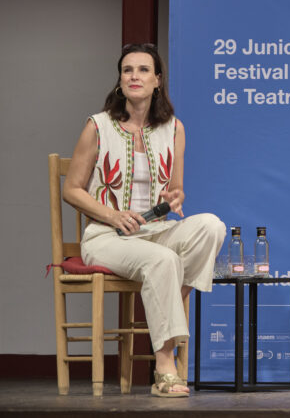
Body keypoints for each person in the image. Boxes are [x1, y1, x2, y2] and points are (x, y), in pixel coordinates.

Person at [62, 43, 226, 398]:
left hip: (156, 230)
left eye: (143, 70)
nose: (134, 76)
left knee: (212, 225)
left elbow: (177, 191)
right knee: (164, 260)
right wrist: (113, 215)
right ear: (120, 82)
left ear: (158, 80)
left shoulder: (175, 128)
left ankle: (165, 297)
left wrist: (174, 199)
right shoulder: (99, 126)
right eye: (127, 70)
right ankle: (164, 364)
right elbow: (72, 190)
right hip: (106, 237)